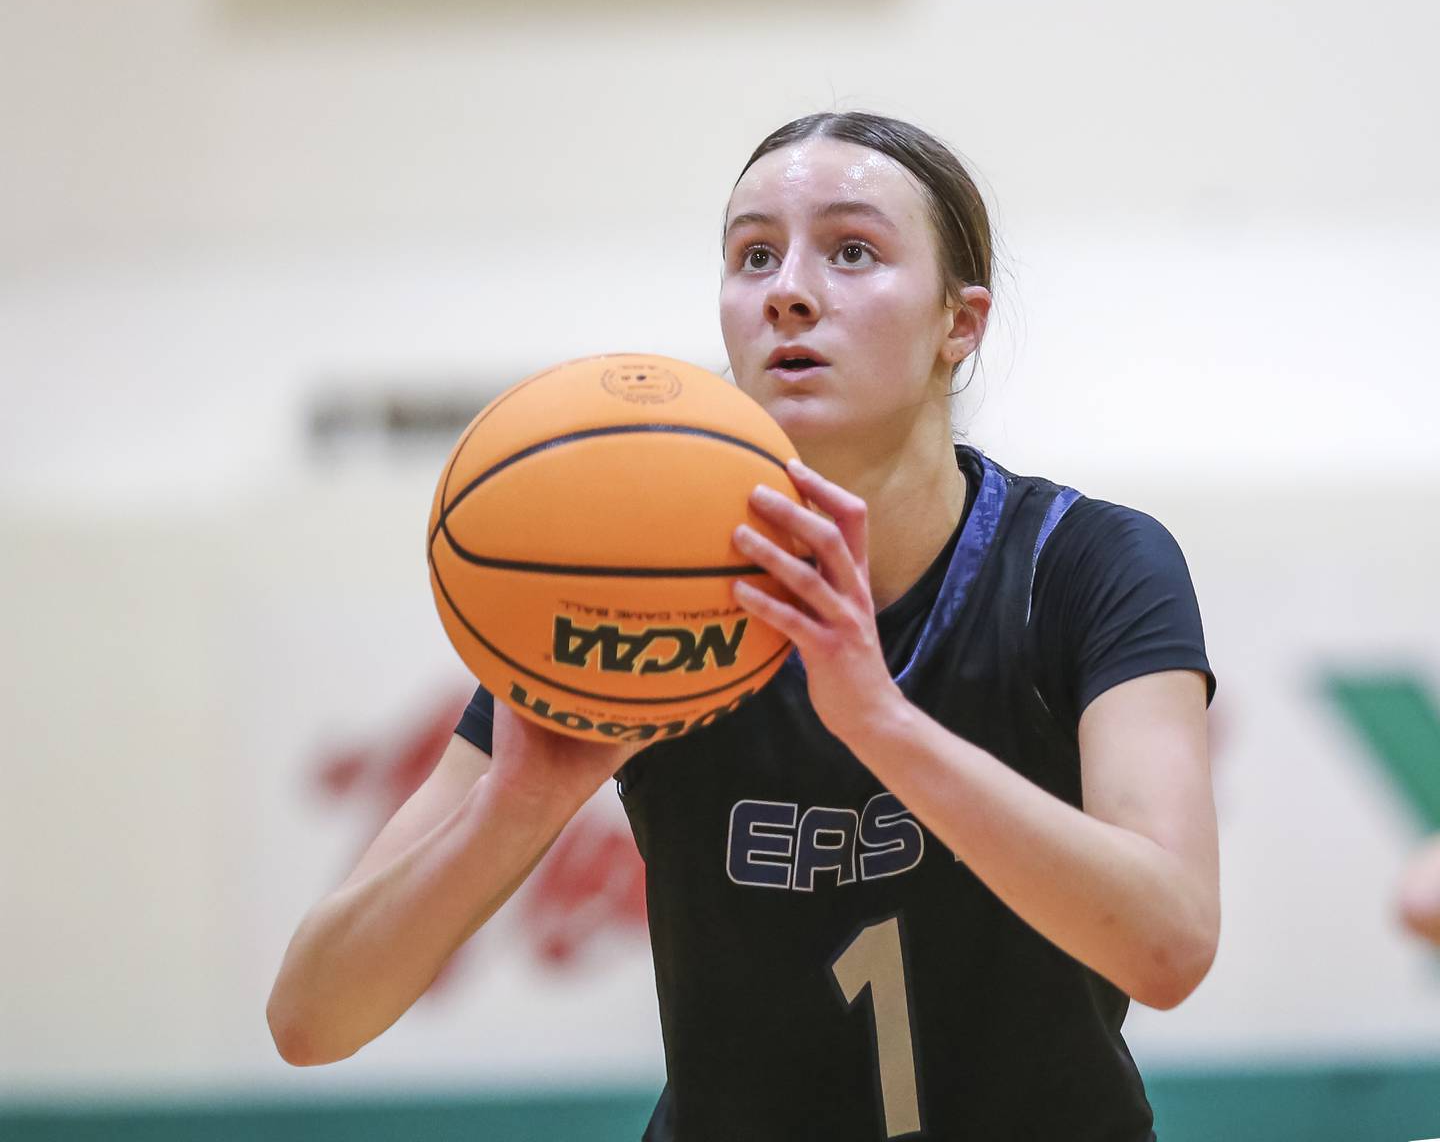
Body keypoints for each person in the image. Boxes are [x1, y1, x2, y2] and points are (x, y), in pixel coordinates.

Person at [268, 111, 1220, 1142]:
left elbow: (1170, 946)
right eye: (754, 255)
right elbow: (312, 1020)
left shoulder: (1083, 565)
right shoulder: (642, 594)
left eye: (852, 251)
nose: (787, 291)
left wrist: (881, 725)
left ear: (960, 323)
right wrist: (520, 807)